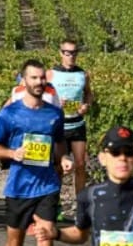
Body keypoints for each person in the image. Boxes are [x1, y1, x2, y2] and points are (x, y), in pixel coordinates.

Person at [36, 125, 133, 246]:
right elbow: (80, 234)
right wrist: (56, 233)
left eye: (129, 153)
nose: (122, 158)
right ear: (102, 158)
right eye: (115, 153)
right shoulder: (89, 195)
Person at [0, 59, 74, 246]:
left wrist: (64, 158)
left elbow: (59, 141)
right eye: (33, 78)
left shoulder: (55, 113)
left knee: (45, 236)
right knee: (14, 242)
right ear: (24, 80)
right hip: (19, 187)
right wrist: (13, 154)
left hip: (47, 185)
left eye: (42, 78)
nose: (39, 82)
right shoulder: (9, 114)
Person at [47, 40, 94, 208]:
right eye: (67, 53)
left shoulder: (83, 74)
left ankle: (80, 204)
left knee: (80, 165)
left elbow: (88, 94)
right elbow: (41, 95)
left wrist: (86, 105)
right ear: (61, 53)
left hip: (77, 124)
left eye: (74, 52)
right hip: (59, 126)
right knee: (59, 166)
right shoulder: (51, 73)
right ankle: (55, 203)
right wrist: (56, 103)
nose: (71, 56)